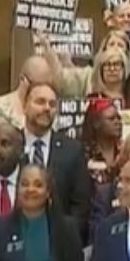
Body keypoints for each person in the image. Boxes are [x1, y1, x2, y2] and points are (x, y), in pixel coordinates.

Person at [21, 83, 93, 227]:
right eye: (40, 102)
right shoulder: (9, 144)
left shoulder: (72, 150)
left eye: (52, 104)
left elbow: (81, 205)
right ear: (25, 106)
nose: (47, 108)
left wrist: (65, 234)